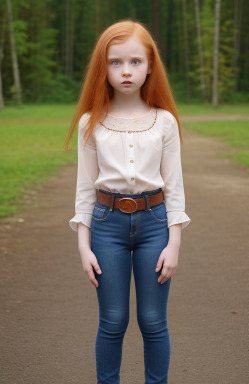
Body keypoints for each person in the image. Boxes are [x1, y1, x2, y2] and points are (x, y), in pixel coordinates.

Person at [64, 19, 191, 384]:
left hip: (155, 225)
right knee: (113, 321)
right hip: (107, 227)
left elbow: (174, 187)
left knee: (153, 321)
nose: (125, 71)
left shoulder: (163, 122)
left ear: (150, 65)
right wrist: (83, 246)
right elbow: (85, 189)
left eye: (135, 62)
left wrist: (175, 242)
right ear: (102, 68)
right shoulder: (92, 122)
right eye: (115, 62)